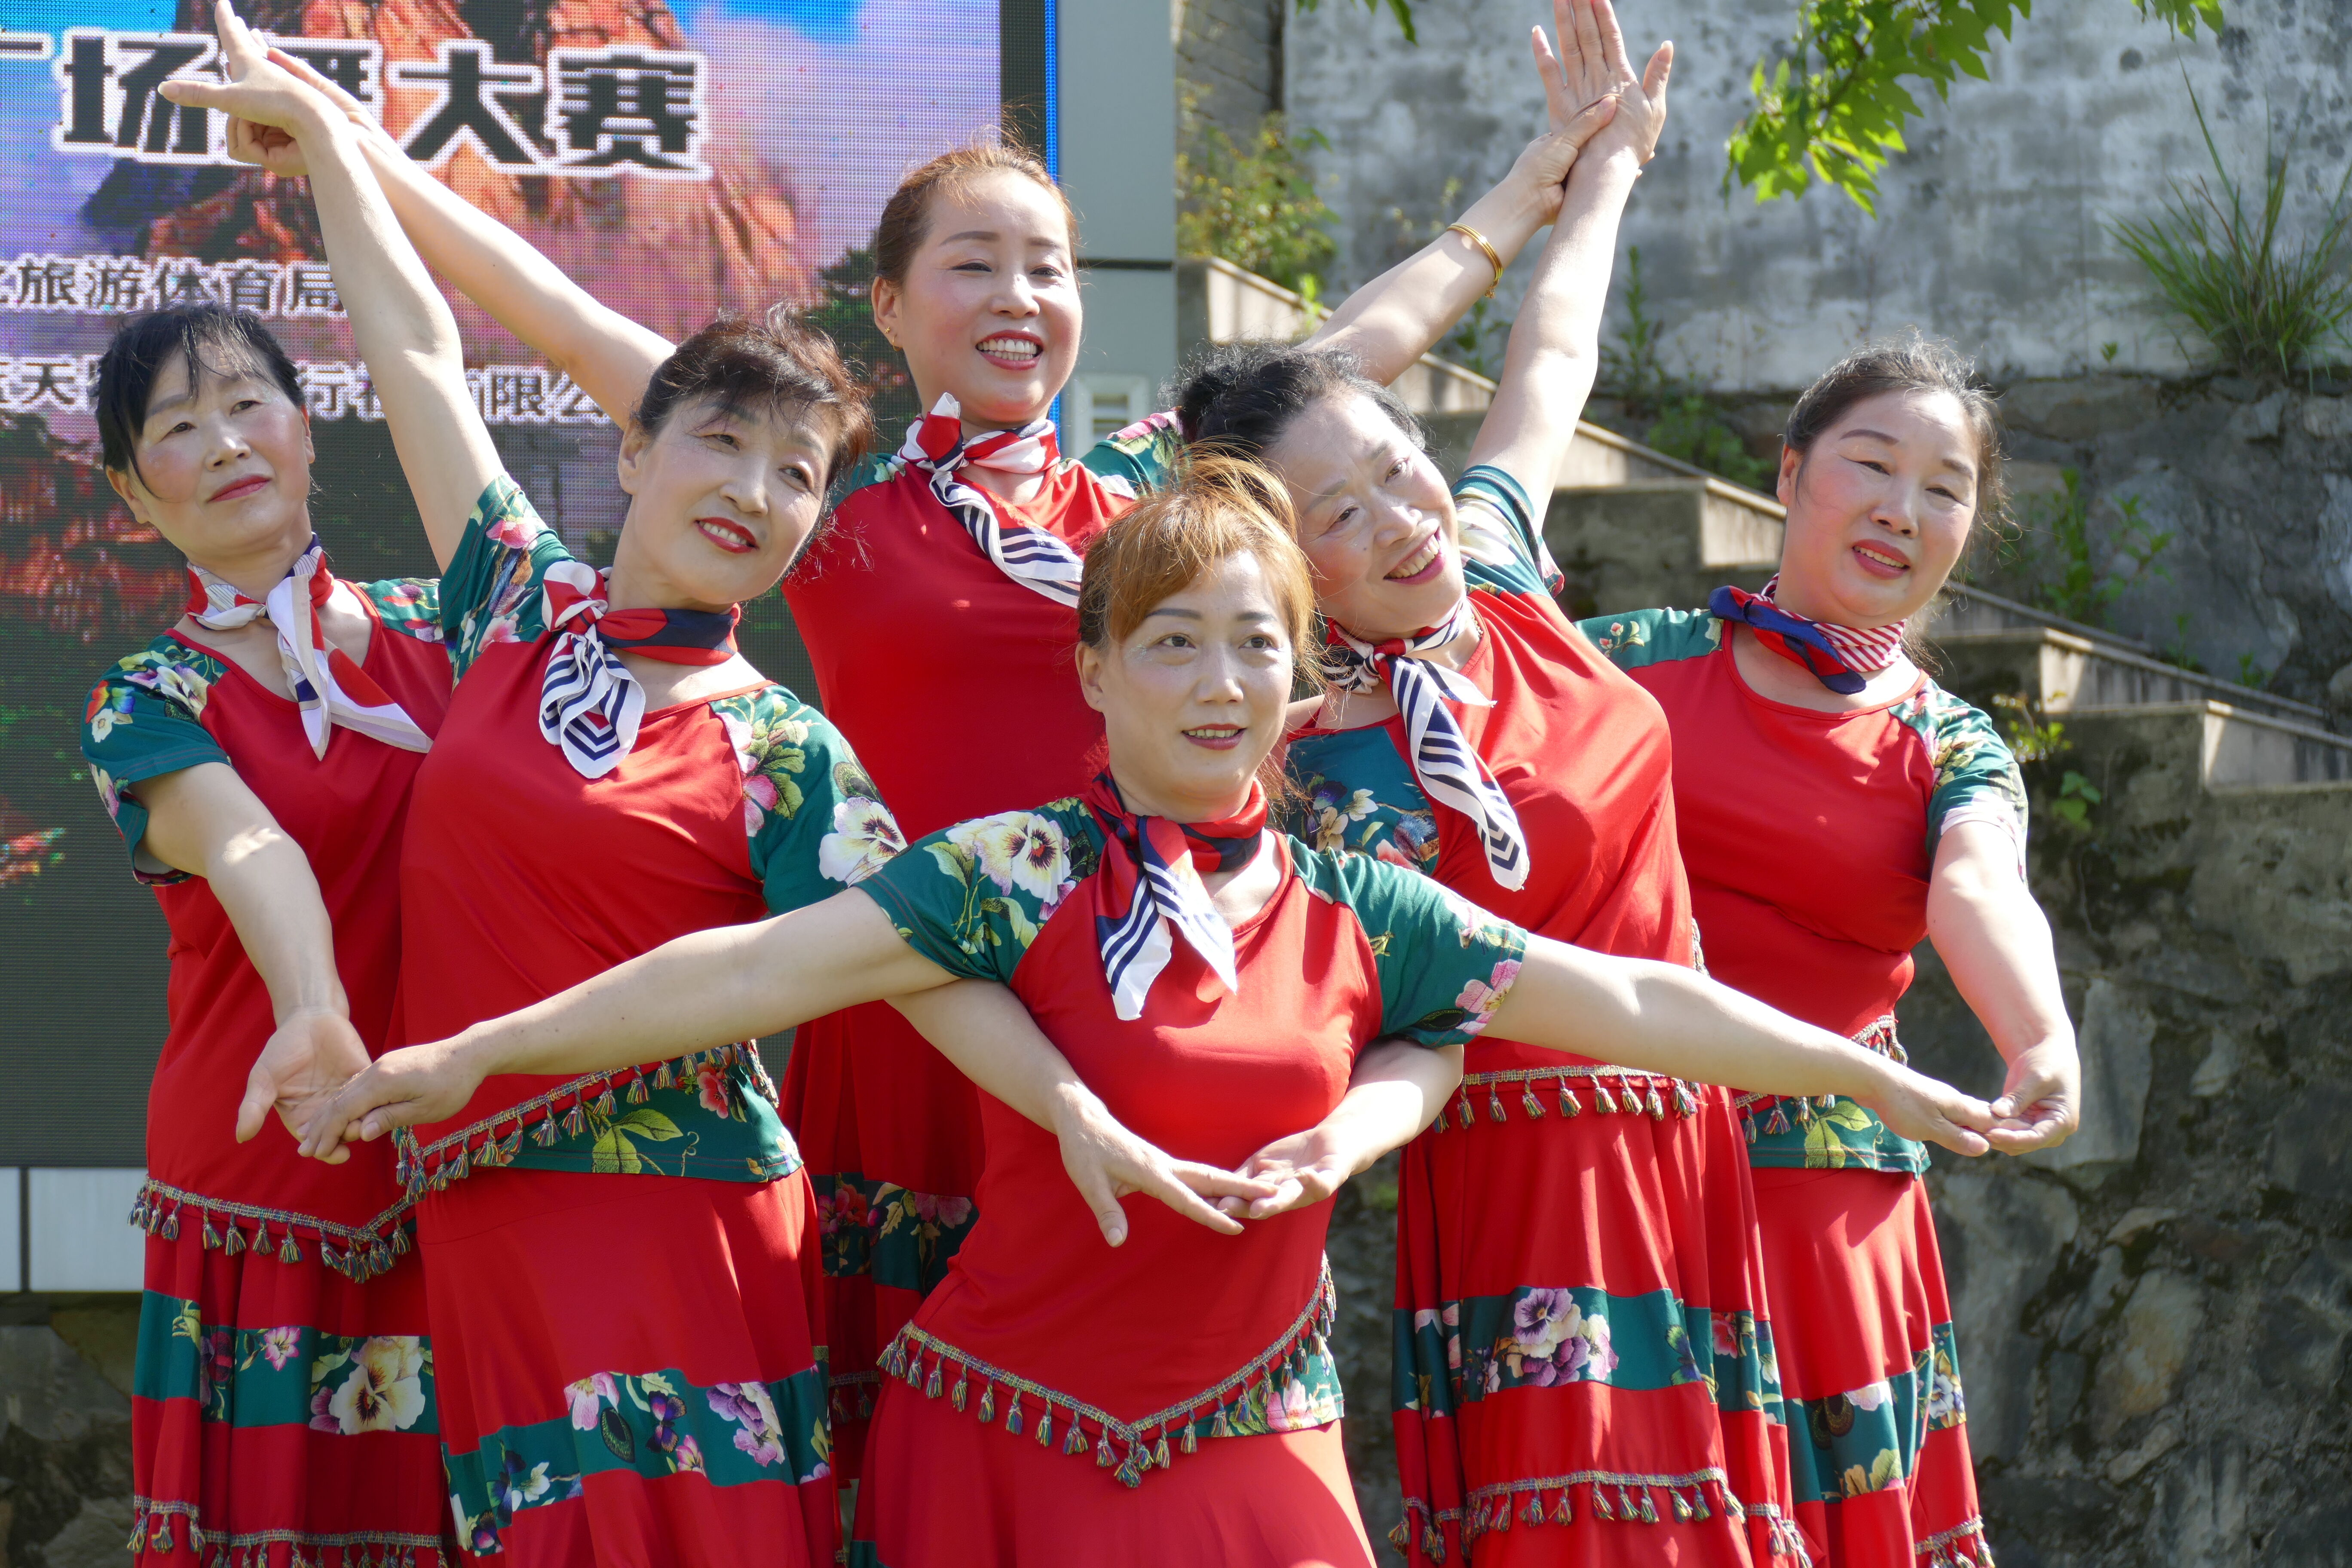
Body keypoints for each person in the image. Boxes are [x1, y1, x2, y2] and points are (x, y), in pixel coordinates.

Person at [250, 36, 1628, 1470]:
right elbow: (556, 317)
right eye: (976, 264)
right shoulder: (826, 506)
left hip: (1128, 1003)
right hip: (912, 1010)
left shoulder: (1145, 503)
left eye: (1050, 268)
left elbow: (1350, 351)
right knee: (900, 1448)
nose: (1020, 296)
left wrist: (1537, 185)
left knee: (1144, 1415)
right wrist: (362, 154)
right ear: (891, 307)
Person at [297, 458, 2001, 1568]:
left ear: (1298, 680)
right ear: (1096, 672)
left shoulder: (1363, 908)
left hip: (1255, 1443)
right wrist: (472, 1054)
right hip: (999, 1446)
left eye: (1254, 645)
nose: (1217, 681)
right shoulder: (1009, 871)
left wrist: (1867, 1078)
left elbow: (1626, 994)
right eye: (1172, 643)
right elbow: (741, 976)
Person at [162, 14, 1262, 1565]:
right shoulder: (509, 610)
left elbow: (915, 959)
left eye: (798, 475)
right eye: (724, 444)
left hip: (688, 1217)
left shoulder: (785, 751)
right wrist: (332, 143)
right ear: (639, 450)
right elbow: (414, 348)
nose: (754, 490)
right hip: (480, 1208)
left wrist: (1073, 1106)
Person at [1176, 4, 1816, 1561]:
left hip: (1684, 1116)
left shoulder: (1504, 578)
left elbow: (1553, 353)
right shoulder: (1295, 758)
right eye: (1338, 516)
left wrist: (1603, 173)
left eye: (1397, 468)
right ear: (1288, 566)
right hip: (1513, 1159)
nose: (1402, 520)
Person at [1576, 337, 2079, 1568]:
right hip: (1608, 1173)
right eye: (1873, 464)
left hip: (1815, 1207)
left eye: (1946, 489)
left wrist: (2039, 1037)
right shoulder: (1622, 665)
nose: (1904, 509)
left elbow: (1979, 883)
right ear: (1792, 473)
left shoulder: (1951, 744)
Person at [80, 313, 453, 1561]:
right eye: (180, 428)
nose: (228, 442)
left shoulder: (454, 635)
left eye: (248, 405)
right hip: (268, 1164)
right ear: (134, 492)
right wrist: (315, 1008)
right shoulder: (144, 699)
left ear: (307, 424)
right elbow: (249, 846)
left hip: (463, 1147)